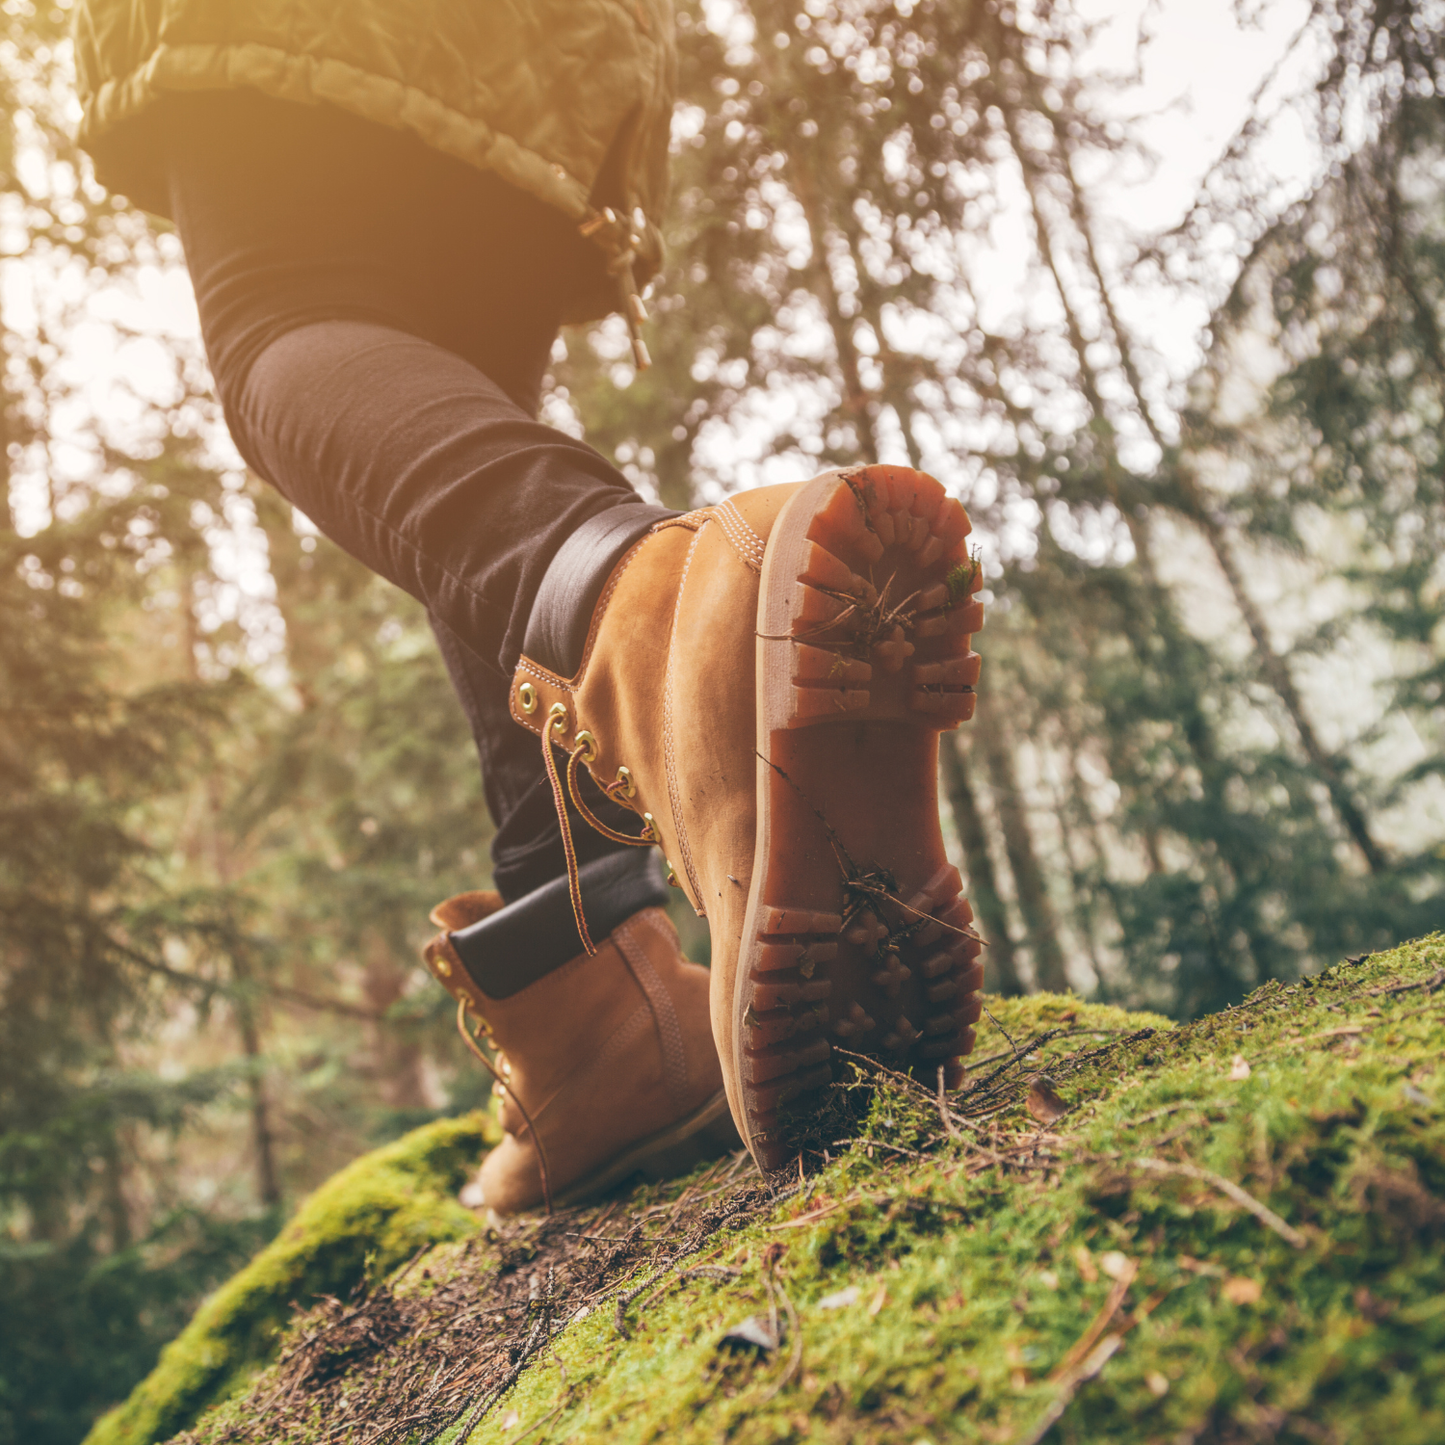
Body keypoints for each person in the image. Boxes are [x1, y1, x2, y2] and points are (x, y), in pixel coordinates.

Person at [72, 0, 988, 1214]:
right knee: (452, 380)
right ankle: (590, 1008)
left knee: (280, 318)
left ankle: (660, 634)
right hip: (550, 47)